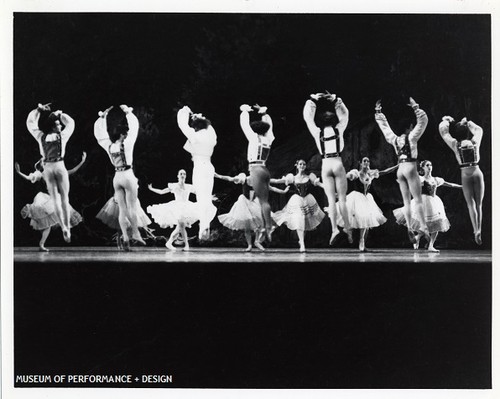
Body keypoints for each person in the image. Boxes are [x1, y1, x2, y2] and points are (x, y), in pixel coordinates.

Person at [374, 97, 430, 245]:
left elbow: (385, 127)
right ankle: (423, 226)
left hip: (400, 169)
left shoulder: (394, 139)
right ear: (409, 127)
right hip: (411, 168)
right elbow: (423, 121)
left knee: (406, 202)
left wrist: (378, 112)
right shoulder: (411, 137)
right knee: (417, 199)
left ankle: (410, 227)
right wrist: (416, 107)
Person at [303, 92, 352, 245]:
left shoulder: (318, 133)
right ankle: (348, 228)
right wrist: (337, 101)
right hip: (337, 163)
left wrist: (312, 101)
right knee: (342, 199)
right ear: (334, 119)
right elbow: (345, 115)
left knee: (331, 200)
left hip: (325, 165)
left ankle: (334, 229)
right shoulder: (339, 129)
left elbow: (308, 118)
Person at [94, 105, 145, 250]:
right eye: (125, 134)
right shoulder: (127, 144)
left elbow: (100, 136)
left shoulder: (109, 146)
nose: (127, 135)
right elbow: (134, 129)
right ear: (122, 135)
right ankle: (135, 233)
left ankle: (125, 236)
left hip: (117, 177)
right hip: (128, 175)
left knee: (122, 209)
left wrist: (102, 118)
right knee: (132, 207)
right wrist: (128, 113)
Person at [26, 102, 76, 242]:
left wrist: (38, 110)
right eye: (58, 124)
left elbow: (30, 123)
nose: (60, 125)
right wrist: (61, 114)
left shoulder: (40, 136)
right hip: (59, 166)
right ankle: (66, 227)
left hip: (48, 168)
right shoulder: (62, 136)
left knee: (55, 200)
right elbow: (71, 123)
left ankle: (64, 227)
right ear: (54, 126)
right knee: (64, 198)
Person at [16, 153, 86, 251]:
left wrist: (82, 162)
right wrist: (19, 172)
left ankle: (43, 243)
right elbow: (29, 178)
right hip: (46, 199)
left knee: (49, 223)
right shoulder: (40, 173)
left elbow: (71, 171)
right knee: (49, 222)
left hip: (54, 199)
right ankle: (62, 232)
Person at [438, 116, 485, 245]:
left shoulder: (455, 144)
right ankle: (479, 229)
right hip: (476, 171)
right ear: (467, 132)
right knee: (479, 204)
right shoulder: (475, 141)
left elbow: (443, 132)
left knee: (471, 204)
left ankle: (475, 230)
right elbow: (479, 129)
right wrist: (468, 122)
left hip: (465, 174)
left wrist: (446, 120)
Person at [215, 171, 289, 252]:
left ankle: (257, 241)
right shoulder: (244, 179)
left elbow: (271, 188)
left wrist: (284, 191)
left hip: (254, 203)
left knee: (259, 223)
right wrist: (218, 175)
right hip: (244, 203)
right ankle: (249, 245)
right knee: (247, 226)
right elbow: (230, 178)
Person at [336, 157, 398, 251]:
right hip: (356, 198)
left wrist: (397, 166)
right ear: (361, 163)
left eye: (368, 161)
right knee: (354, 217)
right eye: (364, 161)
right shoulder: (356, 173)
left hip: (366, 199)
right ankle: (348, 230)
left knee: (367, 222)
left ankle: (362, 243)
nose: (366, 162)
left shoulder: (371, 174)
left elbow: (385, 172)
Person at [177, 106, 217, 240]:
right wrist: (201, 118)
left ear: (195, 127)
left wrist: (184, 112)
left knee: (201, 197)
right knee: (207, 196)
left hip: (199, 167)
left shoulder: (195, 135)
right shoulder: (211, 135)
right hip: (209, 166)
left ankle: (203, 226)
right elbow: (209, 127)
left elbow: (182, 125)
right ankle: (206, 224)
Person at [239, 103, 276, 242]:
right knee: (262, 201)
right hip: (265, 169)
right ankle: (263, 226)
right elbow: (270, 126)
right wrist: (264, 114)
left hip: (255, 169)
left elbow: (244, 125)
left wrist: (245, 111)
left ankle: (268, 227)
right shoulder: (269, 138)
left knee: (263, 201)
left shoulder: (254, 138)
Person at [271, 159, 326, 252]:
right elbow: (277, 181)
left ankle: (301, 241)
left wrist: (331, 190)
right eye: (300, 164)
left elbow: (320, 184)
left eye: (304, 164)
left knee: (303, 221)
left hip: (307, 200)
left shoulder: (310, 177)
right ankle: (302, 244)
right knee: (299, 219)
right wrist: (264, 180)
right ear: (296, 165)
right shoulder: (292, 177)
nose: (302, 166)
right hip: (297, 200)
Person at [147, 169, 199, 251]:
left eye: (184, 174)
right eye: (181, 174)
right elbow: (162, 192)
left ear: (185, 176)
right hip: (177, 207)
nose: (182, 175)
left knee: (179, 228)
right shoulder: (174, 186)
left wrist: (210, 197)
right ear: (178, 176)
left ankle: (169, 242)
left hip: (186, 207)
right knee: (181, 225)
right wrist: (151, 189)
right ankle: (186, 245)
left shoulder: (189, 186)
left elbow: (200, 194)